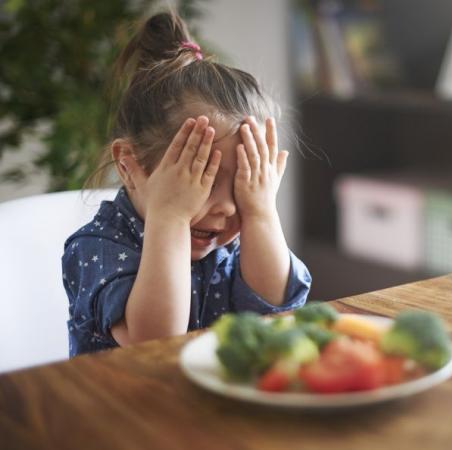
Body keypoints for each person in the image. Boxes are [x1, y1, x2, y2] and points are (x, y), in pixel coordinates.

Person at [62, 11, 311, 356]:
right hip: (120, 405)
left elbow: (278, 308)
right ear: (128, 165)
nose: (226, 207)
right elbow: (154, 342)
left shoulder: (237, 238)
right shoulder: (97, 246)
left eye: (242, 186)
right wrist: (171, 218)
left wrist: (260, 213)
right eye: (203, 182)